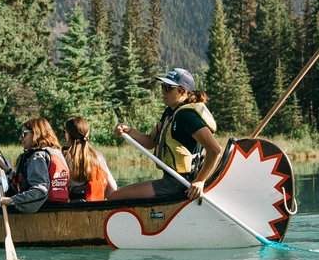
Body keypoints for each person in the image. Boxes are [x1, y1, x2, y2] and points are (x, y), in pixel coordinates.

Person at [110, 67, 222, 201]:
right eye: (163, 86)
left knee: (114, 196)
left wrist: (200, 181)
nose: (163, 91)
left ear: (183, 91)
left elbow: (215, 150)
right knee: (115, 195)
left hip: (180, 183)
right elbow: (150, 141)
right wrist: (130, 130)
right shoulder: (170, 112)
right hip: (171, 179)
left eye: (168, 88)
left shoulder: (186, 116)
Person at [0, 117, 70, 214]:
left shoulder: (37, 156)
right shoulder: (56, 153)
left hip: (41, 213)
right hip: (59, 211)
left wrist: (12, 200)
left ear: (36, 134)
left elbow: (40, 190)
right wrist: (7, 170)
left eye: (24, 134)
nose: (20, 138)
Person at [63, 116, 117, 201]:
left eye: (64, 131)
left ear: (68, 134)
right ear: (87, 133)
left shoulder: (62, 157)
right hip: (94, 207)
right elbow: (112, 187)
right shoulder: (97, 157)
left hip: (70, 209)